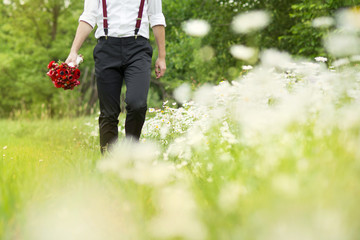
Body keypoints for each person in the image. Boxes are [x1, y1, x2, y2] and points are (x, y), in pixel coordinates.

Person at [66, 0, 166, 153]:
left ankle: (130, 153)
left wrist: (162, 56)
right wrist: (73, 51)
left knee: (137, 104)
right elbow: (88, 17)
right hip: (106, 48)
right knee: (109, 112)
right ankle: (109, 164)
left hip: (138, 49)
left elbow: (157, 17)